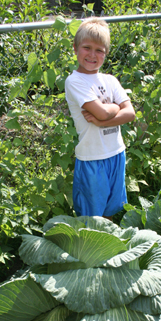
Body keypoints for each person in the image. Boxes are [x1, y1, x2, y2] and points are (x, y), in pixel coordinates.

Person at [65, 17, 136, 219]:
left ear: (105, 53)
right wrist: (114, 108)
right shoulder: (74, 81)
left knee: (111, 208)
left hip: (116, 153)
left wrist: (101, 120)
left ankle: (106, 247)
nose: (92, 55)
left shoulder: (109, 80)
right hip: (92, 157)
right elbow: (103, 112)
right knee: (91, 213)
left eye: (100, 50)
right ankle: (89, 248)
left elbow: (130, 113)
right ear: (75, 48)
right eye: (87, 47)